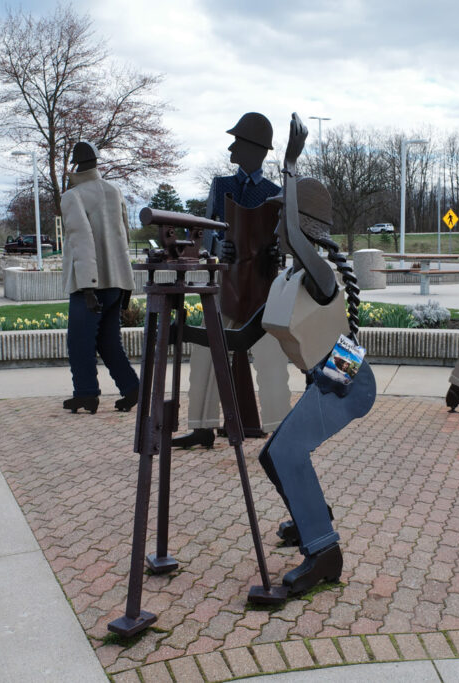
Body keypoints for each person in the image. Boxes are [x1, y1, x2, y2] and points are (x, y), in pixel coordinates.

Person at [254, 114, 375, 595]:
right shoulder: (288, 279)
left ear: (301, 224)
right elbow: (243, 336)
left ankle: (324, 552)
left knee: (287, 450)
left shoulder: (321, 274)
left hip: (346, 382)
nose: (275, 225)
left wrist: (288, 164)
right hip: (325, 379)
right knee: (273, 456)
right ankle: (310, 519)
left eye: (282, 215)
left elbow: (299, 239)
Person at [173, 113, 292, 448]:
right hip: (228, 284)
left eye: (237, 141)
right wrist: (216, 246)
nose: (231, 147)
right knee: (206, 351)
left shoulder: (274, 192)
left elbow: (283, 237)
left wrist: (276, 252)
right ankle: (201, 426)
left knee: (271, 359)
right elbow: (200, 231)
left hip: (262, 289)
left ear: (255, 149)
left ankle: (280, 428)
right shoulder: (221, 185)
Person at [60, 141, 140, 414]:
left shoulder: (73, 196)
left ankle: (86, 394)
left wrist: (87, 287)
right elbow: (123, 238)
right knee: (108, 341)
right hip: (116, 281)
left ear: (76, 163)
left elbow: (81, 242)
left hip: (89, 284)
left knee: (79, 342)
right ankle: (131, 388)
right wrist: (127, 283)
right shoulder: (113, 191)